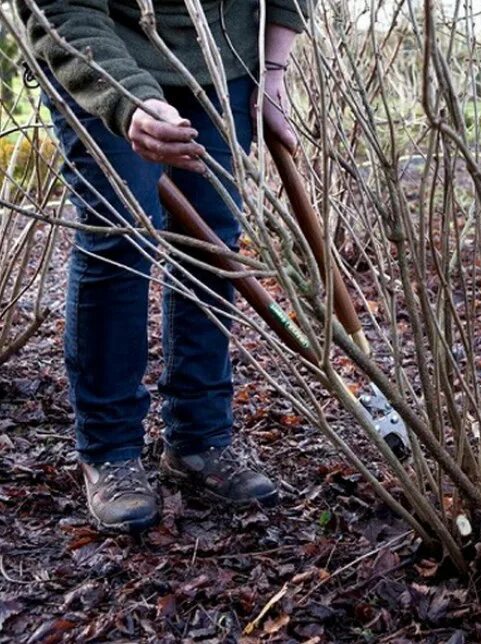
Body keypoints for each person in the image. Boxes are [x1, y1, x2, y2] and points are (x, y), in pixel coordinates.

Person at [15, 0, 306, 534]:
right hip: (105, 48)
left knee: (214, 242)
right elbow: (63, 8)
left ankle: (201, 438)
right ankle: (109, 449)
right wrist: (131, 102)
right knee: (121, 235)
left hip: (225, 57)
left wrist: (271, 69)